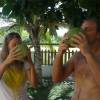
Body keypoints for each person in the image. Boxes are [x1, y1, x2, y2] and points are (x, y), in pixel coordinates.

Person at [52, 17, 100, 100]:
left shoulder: (86, 54)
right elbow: (56, 79)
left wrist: (88, 54)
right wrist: (59, 54)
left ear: (98, 34)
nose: (81, 33)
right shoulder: (78, 56)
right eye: (81, 29)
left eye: (87, 30)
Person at [0, 32, 38, 100]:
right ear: (7, 47)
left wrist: (31, 63)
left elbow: (34, 84)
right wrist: (6, 62)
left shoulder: (24, 61)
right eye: (14, 45)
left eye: (20, 44)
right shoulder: (1, 58)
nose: (18, 47)